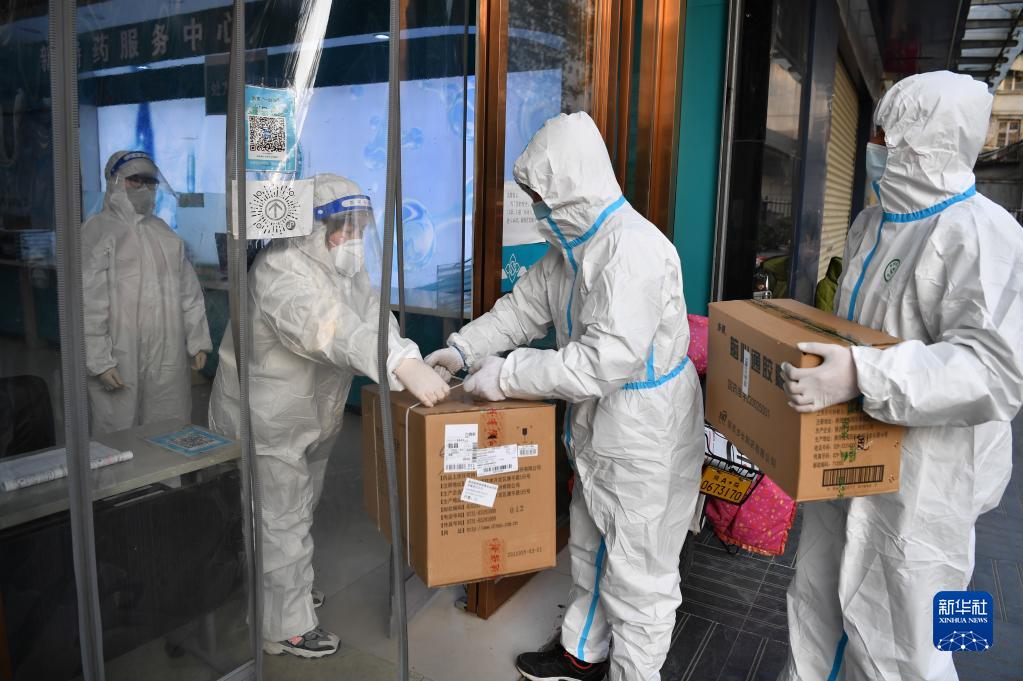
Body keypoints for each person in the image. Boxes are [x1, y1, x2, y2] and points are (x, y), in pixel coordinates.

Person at [427, 112, 704, 681]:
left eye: (540, 197)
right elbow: (520, 312)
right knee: (590, 544)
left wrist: (508, 375)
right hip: (601, 426)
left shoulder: (633, 251)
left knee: (639, 575)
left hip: (646, 436)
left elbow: (604, 362)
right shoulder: (568, 252)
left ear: (571, 188)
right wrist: (462, 350)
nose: (536, 209)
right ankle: (581, 653)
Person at [780, 70, 1023, 681]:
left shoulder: (987, 235)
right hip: (851, 450)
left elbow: (997, 372)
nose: (874, 147)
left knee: (915, 637)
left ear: (929, 143)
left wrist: (864, 374)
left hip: (931, 477)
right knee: (817, 600)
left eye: (886, 136)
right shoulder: (873, 223)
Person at [209, 173, 448, 659]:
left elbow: (372, 315)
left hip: (309, 416)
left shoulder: (342, 269)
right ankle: (284, 626)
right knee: (279, 517)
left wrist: (406, 353)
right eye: (345, 228)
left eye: (360, 228)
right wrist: (398, 364)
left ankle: (282, 593)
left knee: (297, 509)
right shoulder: (279, 271)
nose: (354, 239)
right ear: (313, 228)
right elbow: (329, 328)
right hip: (267, 421)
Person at [83, 150, 212, 435]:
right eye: (135, 180)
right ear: (115, 182)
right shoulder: (97, 232)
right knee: (117, 429)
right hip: (119, 353)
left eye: (150, 181)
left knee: (169, 423)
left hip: (167, 351)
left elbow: (189, 295)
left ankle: (167, 467)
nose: (143, 188)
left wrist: (198, 340)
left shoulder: (164, 233)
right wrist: (99, 361)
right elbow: (87, 304)